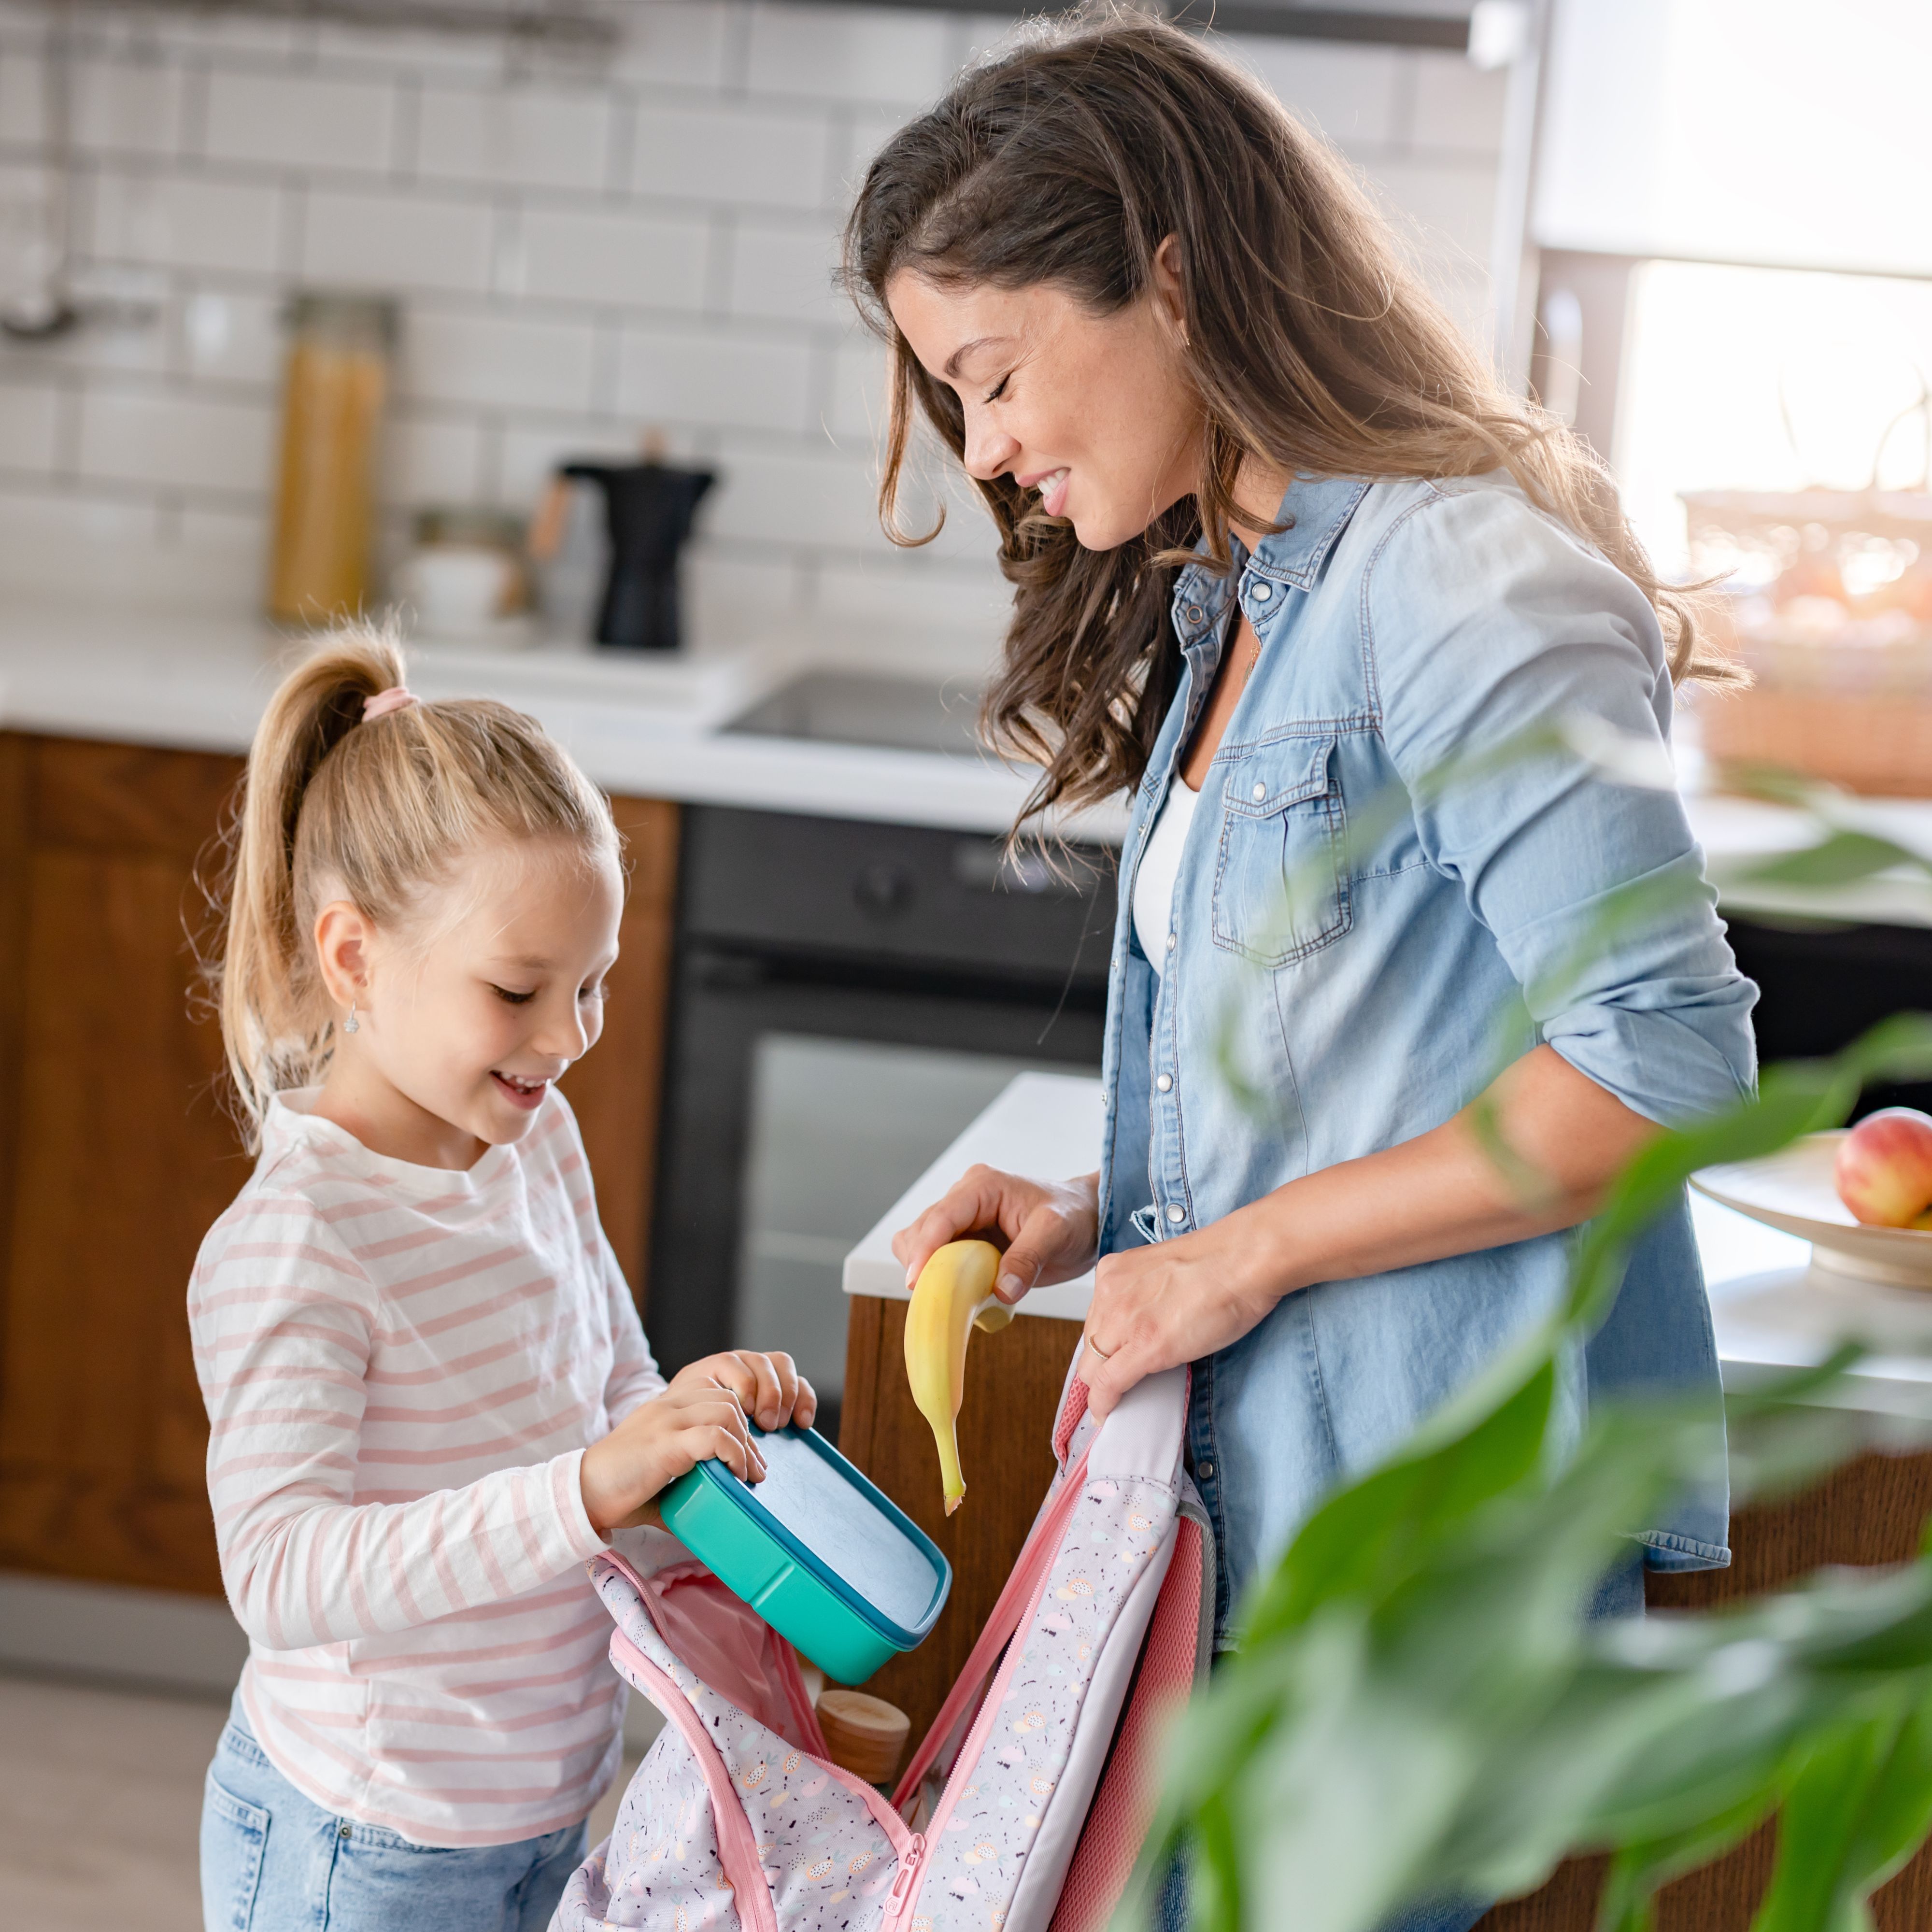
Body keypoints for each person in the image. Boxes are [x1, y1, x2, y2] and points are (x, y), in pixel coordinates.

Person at [861, 19, 1755, 1924]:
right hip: (1268, 1492)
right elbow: (1391, 1050)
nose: (988, 453)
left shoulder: (1460, 577)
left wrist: (1234, 1252)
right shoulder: (1240, 603)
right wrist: (1116, 1204)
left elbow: (1658, 1062)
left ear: (1169, 274)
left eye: (994, 375)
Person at [190, 631, 812, 1931]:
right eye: (521, 989)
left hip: (545, 1805)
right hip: (367, 1841)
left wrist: (682, 1423)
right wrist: (591, 1486)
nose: (569, 1037)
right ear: (355, 959)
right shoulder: (301, 1240)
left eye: (592, 985)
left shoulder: (534, 1145)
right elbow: (284, 1575)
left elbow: (605, 1388)